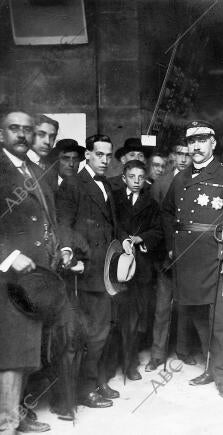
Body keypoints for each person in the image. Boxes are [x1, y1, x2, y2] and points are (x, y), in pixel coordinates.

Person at [161, 120, 223, 398]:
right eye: (192, 141)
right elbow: (166, 213)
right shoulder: (181, 178)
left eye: (202, 140)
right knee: (200, 316)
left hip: (219, 258)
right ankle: (211, 368)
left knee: (221, 320)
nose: (196, 146)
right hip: (188, 261)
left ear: (213, 143)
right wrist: (172, 246)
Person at [0, 111, 61, 433]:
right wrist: (8, 255)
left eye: (26, 130)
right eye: (14, 129)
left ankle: (18, 416)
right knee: (10, 352)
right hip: (7, 278)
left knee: (27, 349)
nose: (22, 135)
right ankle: (6, 424)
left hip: (36, 278)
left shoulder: (36, 170)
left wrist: (60, 247)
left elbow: (49, 219)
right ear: (1, 134)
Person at [56, 134, 120, 409]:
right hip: (86, 271)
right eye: (100, 155)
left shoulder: (104, 183)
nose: (105, 160)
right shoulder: (73, 184)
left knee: (101, 332)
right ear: (88, 156)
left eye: (108, 155)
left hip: (105, 269)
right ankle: (83, 390)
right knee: (88, 335)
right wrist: (71, 255)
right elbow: (63, 225)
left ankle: (94, 382)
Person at [110, 160, 163, 381]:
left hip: (140, 267)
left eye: (140, 177)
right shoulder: (114, 199)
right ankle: (113, 363)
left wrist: (142, 238)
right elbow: (110, 224)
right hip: (117, 263)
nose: (136, 181)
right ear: (124, 178)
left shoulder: (150, 203)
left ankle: (130, 364)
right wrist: (123, 239)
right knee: (115, 317)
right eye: (132, 177)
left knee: (135, 318)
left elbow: (159, 230)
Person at [145, 141, 195, 372]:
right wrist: (166, 250)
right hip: (166, 254)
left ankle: (184, 350)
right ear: (172, 156)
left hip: (190, 253)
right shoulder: (160, 183)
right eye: (179, 153)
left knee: (186, 304)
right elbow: (156, 221)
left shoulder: (197, 179)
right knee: (162, 306)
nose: (184, 158)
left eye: (188, 154)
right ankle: (157, 354)